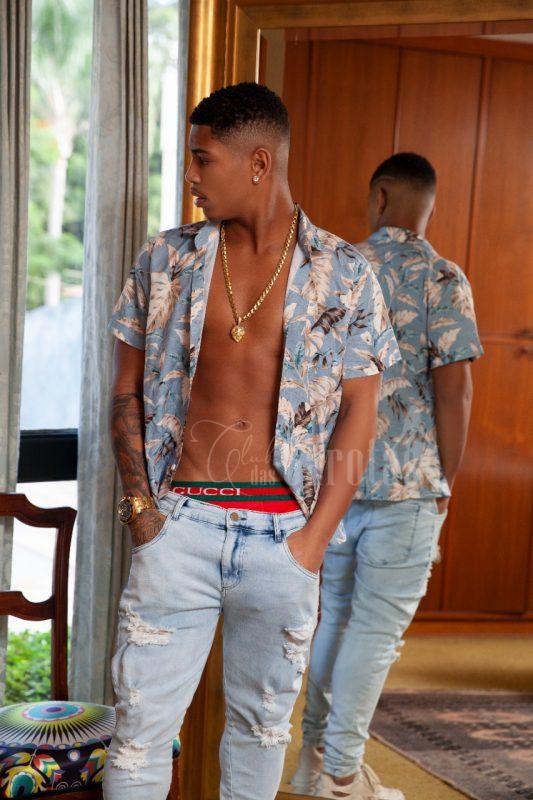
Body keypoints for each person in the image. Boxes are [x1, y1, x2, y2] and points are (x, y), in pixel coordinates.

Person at [101, 82, 401, 800]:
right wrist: (142, 513)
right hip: (178, 530)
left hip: (283, 541)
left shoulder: (345, 274)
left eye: (202, 159)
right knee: (138, 737)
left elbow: (361, 414)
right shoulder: (165, 259)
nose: (190, 176)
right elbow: (124, 392)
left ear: (258, 163)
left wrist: (313, 542)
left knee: (261, 734)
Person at [290, 152, 484, 799]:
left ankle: (313, 762)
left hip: (336, 480)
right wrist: (445, 480)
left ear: (378, 197)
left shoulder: (334, 268)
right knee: (374, 632)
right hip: (408, 483)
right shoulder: (442, 277)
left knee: (336, 619)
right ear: (428, 206)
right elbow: (454, 391)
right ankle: (345, 775)